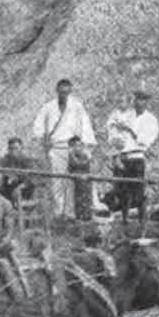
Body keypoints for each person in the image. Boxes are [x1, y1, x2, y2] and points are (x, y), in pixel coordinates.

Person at [31, 79, 96, 218]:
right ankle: (58, 212)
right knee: (57, 181)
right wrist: (43, 139)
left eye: (66, 92)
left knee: (73, 182)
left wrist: (85, 147)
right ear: (57, 91)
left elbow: (85, 126)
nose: (64, 95)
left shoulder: (77, 107)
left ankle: (71, 212)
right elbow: (38, 126)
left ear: (70, 92)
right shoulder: (48, 107)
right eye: (61, 92)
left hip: (73, 147)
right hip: (56, 147)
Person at [104, 90, 159, 224]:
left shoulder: (151, 120)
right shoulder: (126, 115)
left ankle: (142, 221)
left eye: (142, 100)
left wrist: (130, 130)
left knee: (138, 190)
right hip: (123, 156)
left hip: (137, 156)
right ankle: (125, 219)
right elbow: (113, 129)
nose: (139, 102)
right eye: (136, 99)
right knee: (122, 190)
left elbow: (145, 141)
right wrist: (114, 140)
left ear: (146, 102)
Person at [0, 137, 38, 205]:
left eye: (16, 148)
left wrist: (19, 188)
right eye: (11, 149)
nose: (13, 151)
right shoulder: (5, 159)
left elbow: (33, 179)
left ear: (21, 148)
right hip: (7, 189)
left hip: (24, 190)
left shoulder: (27, 160)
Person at [67, 135, 94, 223]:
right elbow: (73, 166)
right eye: (75, 146)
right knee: (78, 197)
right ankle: (79, 216)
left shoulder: (85, 154)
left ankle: (87, 216)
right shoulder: (72, 155)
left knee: (87, 197)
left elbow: (87, 165)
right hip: (78, 178)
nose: (78, 148)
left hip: (86, 178)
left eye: (79, 145)